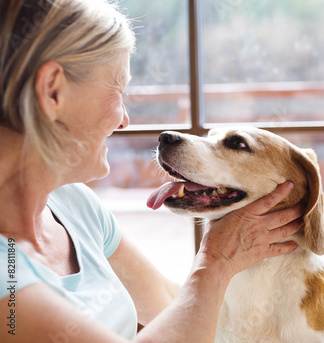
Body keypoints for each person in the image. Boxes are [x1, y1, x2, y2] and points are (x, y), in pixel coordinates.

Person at [0, 0, 303, 342]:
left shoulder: (74, 206)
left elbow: (168, 303)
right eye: (117, 90)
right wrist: (215, 263)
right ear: (53, 90)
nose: (123, 119)